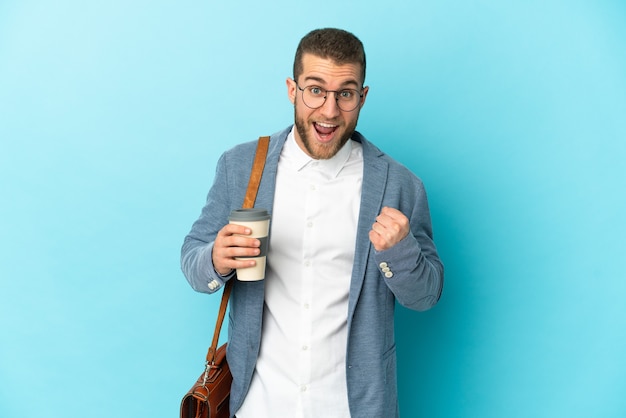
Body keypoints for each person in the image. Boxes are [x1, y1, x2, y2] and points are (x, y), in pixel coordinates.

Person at [181, 27, 444, 418]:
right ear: (292, 89)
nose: (330, 110)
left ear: (362, 97)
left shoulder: (400, 185)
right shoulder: (241, 166)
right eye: (316, 90)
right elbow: (193, 260)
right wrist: (216, 260)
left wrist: (400, 251)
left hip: (354, 408)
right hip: (259, 406)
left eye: (346, 93)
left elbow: (426, 295)